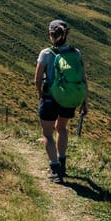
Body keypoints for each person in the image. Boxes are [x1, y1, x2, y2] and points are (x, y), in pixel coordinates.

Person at [34, 19, 88, 183]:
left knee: (47, 134)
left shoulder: (46, 53)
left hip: (50, 98)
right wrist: (84, 102)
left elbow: (37, 79)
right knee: (61, 128)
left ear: (51, 34)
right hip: (69, 98)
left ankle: (55, 168)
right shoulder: (76, 52)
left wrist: (40, 94)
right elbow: (83, 79)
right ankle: (62, 161)